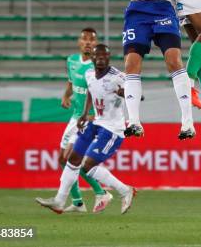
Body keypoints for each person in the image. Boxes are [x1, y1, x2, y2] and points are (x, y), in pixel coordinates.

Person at [46, 0, 195, 140]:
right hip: (137, 11)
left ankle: (188, 124)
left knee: (174, 60)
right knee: (131, 63)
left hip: (164, 9)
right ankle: (134, 122)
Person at [36, 44, 136, 214]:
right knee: (73, 158)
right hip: (95, 122)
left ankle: (125, 190)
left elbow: (138, 95)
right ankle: (59, 201)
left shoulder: (118, 77)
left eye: (105, 56)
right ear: (93, 59)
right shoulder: (89, 74)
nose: (101, 59)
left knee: (87, 166)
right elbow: (91, 91)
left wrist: (124, 93)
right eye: (98, 56)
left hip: (112, 129)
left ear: (109, 58)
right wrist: (84, 114)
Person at [59, 27, 112, 213]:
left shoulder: (98, 66)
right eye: (85, 39)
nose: (88, 42)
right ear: (79, 42)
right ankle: (78, 202)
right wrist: (66, 95)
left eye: (92, 39)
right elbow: (71, 81)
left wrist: (96, 114)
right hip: (75, 117)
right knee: (62, 160)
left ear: (96, 44)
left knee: (73, 160)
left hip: (88, 120)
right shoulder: (72, 60)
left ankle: (101, 191)